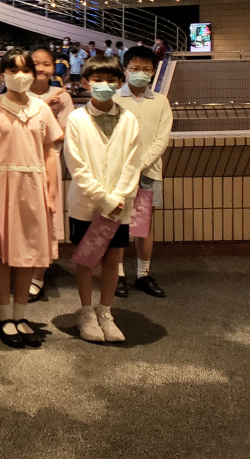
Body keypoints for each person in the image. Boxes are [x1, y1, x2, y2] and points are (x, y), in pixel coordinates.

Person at [0, 49, 63, 349]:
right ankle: (4, 317)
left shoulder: (41, 109)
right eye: (13, 70)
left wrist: (51, 192)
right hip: (1, 185)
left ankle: (21, 315)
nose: (20, 76)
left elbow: (49, 152)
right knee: (1, 255)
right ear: (2, 75)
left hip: (33, 186)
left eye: (26, 70)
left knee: (29, 254)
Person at [65, 56, 142, 343]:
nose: (104, 85)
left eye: (111, 80)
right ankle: (86, 312)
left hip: (120, 205)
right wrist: (103, 198)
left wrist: (119, 197)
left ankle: (106, 312)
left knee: (113, 259)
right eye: (97, 80)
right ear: (85, 83)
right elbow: (76, 165)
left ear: (120, 83)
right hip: (87, 204)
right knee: (86, 260)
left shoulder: (129, 120)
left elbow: (133, 163)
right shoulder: (76, 119)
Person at [113, 46, 173, 299]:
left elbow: (161, 139)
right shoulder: (114, 99)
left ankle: (143, 275)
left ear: (153, 71)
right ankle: (116, 274)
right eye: (135, 68)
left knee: (143, 226)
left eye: (146, 69)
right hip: (116, 174)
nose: (140, 73)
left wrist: (139, 166)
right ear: (125, 70)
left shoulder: (161, 101)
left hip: (149, 172)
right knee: (116, 224)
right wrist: (127, 167)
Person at [27, 46, 74, 302]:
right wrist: (45, 108)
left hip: (48, 161)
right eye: (35, 63)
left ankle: (38, 277)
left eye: (46, 63)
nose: (41, 68)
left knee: (47, 218)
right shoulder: (17, 94)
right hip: (21, 161)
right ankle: (21, 270)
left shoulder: (62, 97)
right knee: (24, 219)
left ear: (54, 67)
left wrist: (46, 117)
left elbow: (65, 133)